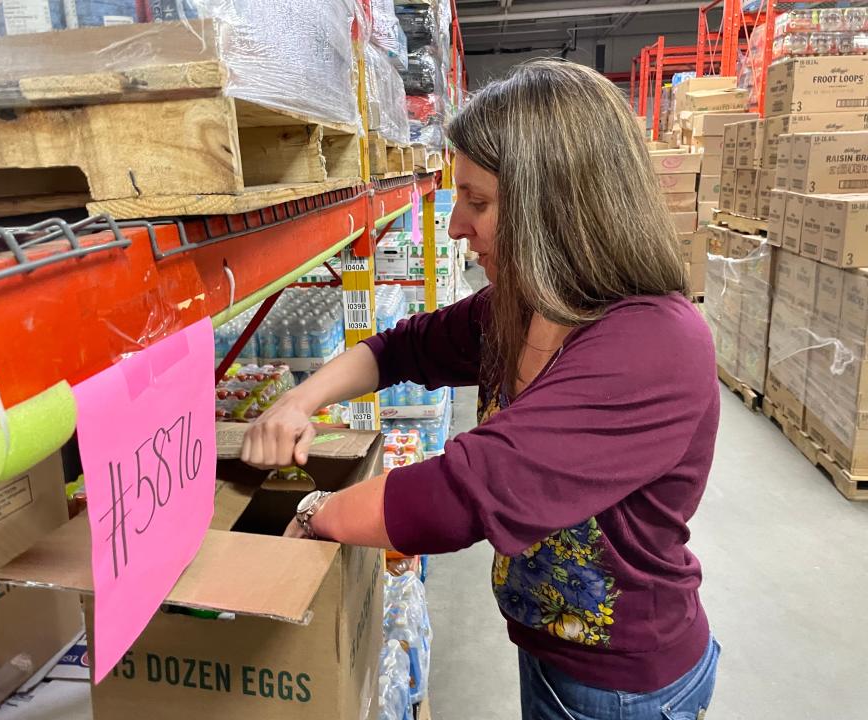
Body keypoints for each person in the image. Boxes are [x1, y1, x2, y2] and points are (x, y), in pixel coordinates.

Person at [241, 58, 721, 720]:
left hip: (625, 687)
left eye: (479, 202)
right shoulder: (525, 306)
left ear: (555, 203)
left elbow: (463, 493)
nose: (455, 227)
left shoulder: (655, 347)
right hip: (550, 646)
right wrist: (298, 400)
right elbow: (398, 346)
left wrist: (316, 513)